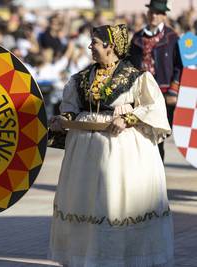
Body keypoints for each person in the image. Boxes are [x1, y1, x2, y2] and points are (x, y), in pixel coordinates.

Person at [49, 24, 174, 266]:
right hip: (85, 154)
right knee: (87, 203)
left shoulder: (137, 77)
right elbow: (72, 109)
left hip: (121, 152)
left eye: (95, 42)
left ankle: (121, 258)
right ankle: (87, 258)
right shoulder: (81, 78)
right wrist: (63, 120)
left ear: (111, 46)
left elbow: (154, 108)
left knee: (115, 202)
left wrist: (128, 118)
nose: (90, 47)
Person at [128, 0, 183, 161]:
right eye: (151, 12)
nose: (154, 15)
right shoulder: (137, 37)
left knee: (159, 137)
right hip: (141, 93)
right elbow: (130, 64)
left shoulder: (172, 37)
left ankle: (158, 176)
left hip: (163, 93)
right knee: (140, 136)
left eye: (158, 12)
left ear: (164, 16)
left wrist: (173, 91)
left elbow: (179, 66)